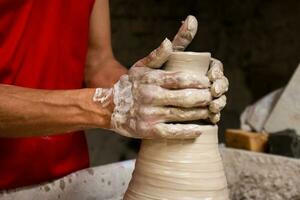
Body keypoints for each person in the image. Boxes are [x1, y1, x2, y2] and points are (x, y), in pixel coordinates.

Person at [0, 0, 228, 190]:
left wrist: (157, 88)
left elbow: (98, 64)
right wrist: (110, 106)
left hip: (67, 181)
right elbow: (113, 103)